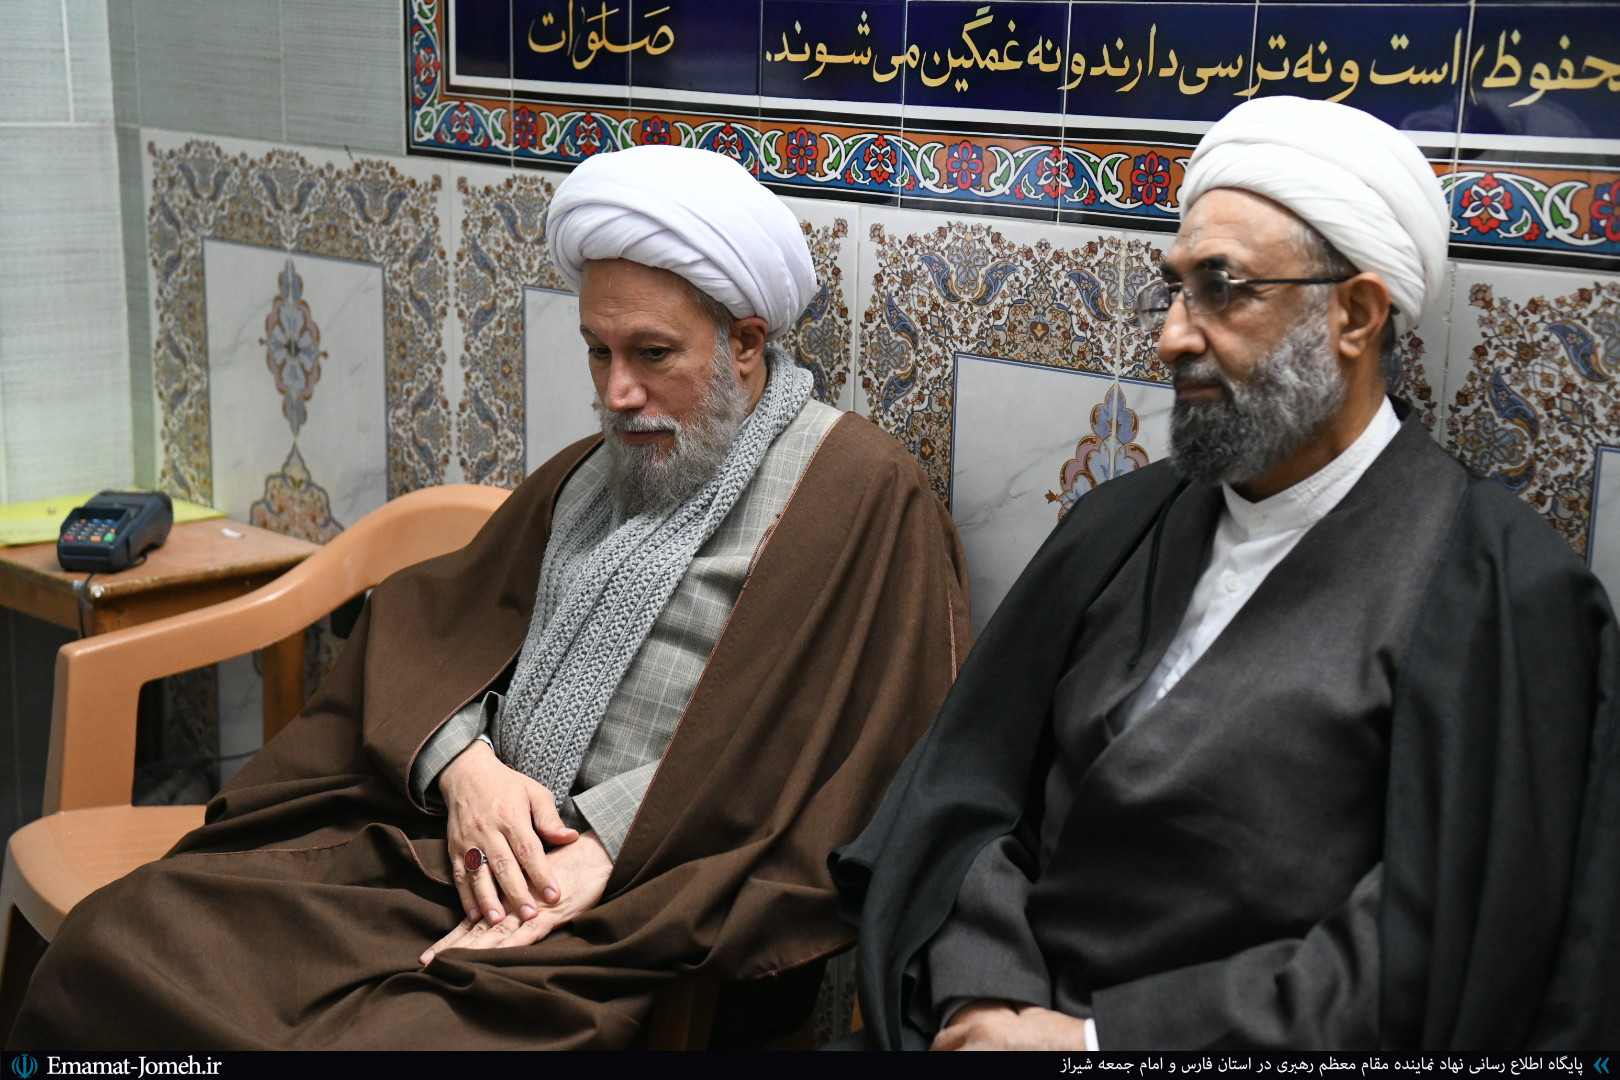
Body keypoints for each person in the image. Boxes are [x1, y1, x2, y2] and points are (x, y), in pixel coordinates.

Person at [10, 146, 971, 1050]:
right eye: (598, 353)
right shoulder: (598, 471)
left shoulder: (859, 493)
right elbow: (433, 625)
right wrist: (465, 770)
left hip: (629, 905)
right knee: (116, 944)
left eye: (652, 355)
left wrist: (610, 843)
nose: (619, 393)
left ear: (747, 343)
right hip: (445, 848)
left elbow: (846, 750)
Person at [831, 97, 1619, 1051]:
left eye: (1222, 289)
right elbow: (968, 795)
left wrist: (1091, 1045)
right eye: (1174, 290)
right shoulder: (1123, 522)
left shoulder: (1496, 591)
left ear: (1356, 315)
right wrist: (982, 998)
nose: (1173, 336)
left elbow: (1436, 954)